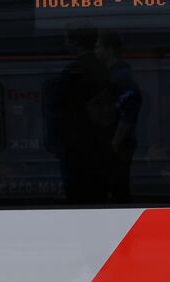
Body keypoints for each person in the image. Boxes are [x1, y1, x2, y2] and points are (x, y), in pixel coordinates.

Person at [51, 26, 117, 204]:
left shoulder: (72, 72)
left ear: (76, 42)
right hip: (100, 147)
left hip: (76, 150)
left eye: (67, 39)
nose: (65, 43)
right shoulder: (102, 69)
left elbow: (57, 108)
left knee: (78, 198)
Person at [95, 30, 143, 204]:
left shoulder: (120, 77)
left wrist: (114, 144)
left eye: (98, 47)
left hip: (118, 147)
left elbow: (128, 113)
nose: (95, 51)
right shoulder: (115, 75)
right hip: (115, 145)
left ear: (109, 49)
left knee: (117, 189)